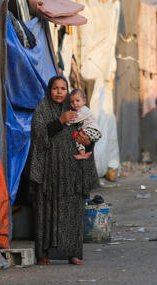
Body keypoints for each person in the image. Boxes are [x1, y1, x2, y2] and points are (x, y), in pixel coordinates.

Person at [29, 76, 99, 266]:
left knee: (73, 212)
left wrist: (89, 141)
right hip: (49, 171)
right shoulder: (42, 110)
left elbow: (89, 130)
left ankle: (73, 253)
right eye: (55, 88)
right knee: (46, 212)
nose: (59, 92)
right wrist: (60, 120)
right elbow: (39, 135)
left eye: (63, 88)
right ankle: (43, 255)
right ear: (49, 90)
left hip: (72, 170)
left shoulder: (77, 109)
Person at [66, 89, 102, 160]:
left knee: (78, 136)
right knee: (77, 137)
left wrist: (66, 121)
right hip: (90, 131)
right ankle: (83, 153)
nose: (75, 103)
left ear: (84, 101)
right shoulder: (79, 110)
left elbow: (75, 119)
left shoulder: (84, 110)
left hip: (93, 130)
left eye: (77, 101)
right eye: (72, 102)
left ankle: (83, 154)